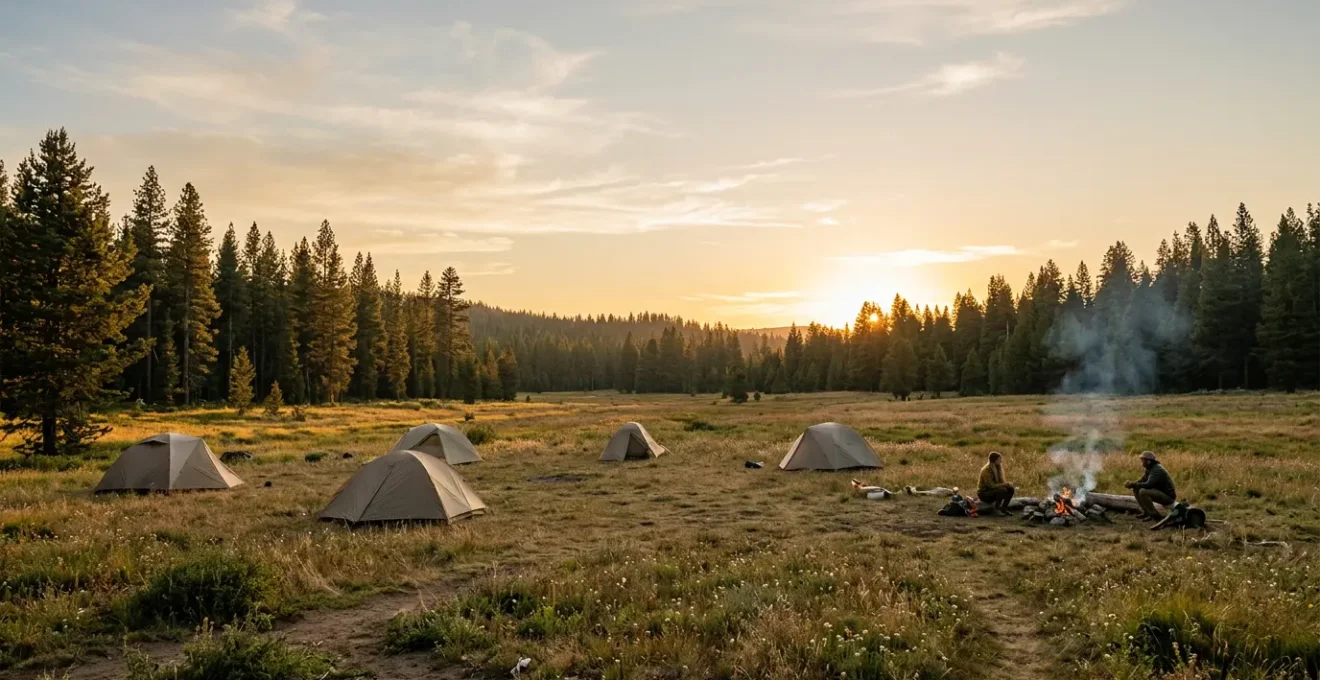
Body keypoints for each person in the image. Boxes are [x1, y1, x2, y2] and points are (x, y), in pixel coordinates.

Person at [1125, 451, 1176, 520]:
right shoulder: (1150, 468)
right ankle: (1146, 512)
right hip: (1161, 493)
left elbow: (1148, 484)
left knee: (1143, 491)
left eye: (1143, 460)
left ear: (1148, 461)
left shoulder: (1156, 469)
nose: (1141, 462)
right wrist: (1132, 484)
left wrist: (1134, 484)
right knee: (1136, 488)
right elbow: (1142, 480)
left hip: (1168, 497)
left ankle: (1154, 515)